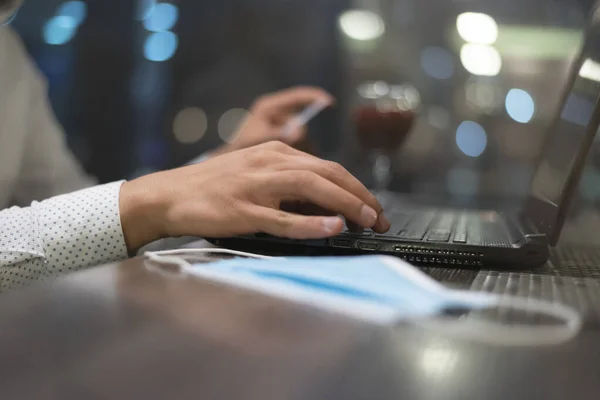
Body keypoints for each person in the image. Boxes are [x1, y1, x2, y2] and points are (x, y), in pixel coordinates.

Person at [0, 0, 390, 292]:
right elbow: (106, 219)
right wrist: (152, 201)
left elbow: (73, 216)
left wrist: (224, 165)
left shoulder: (9, 54)